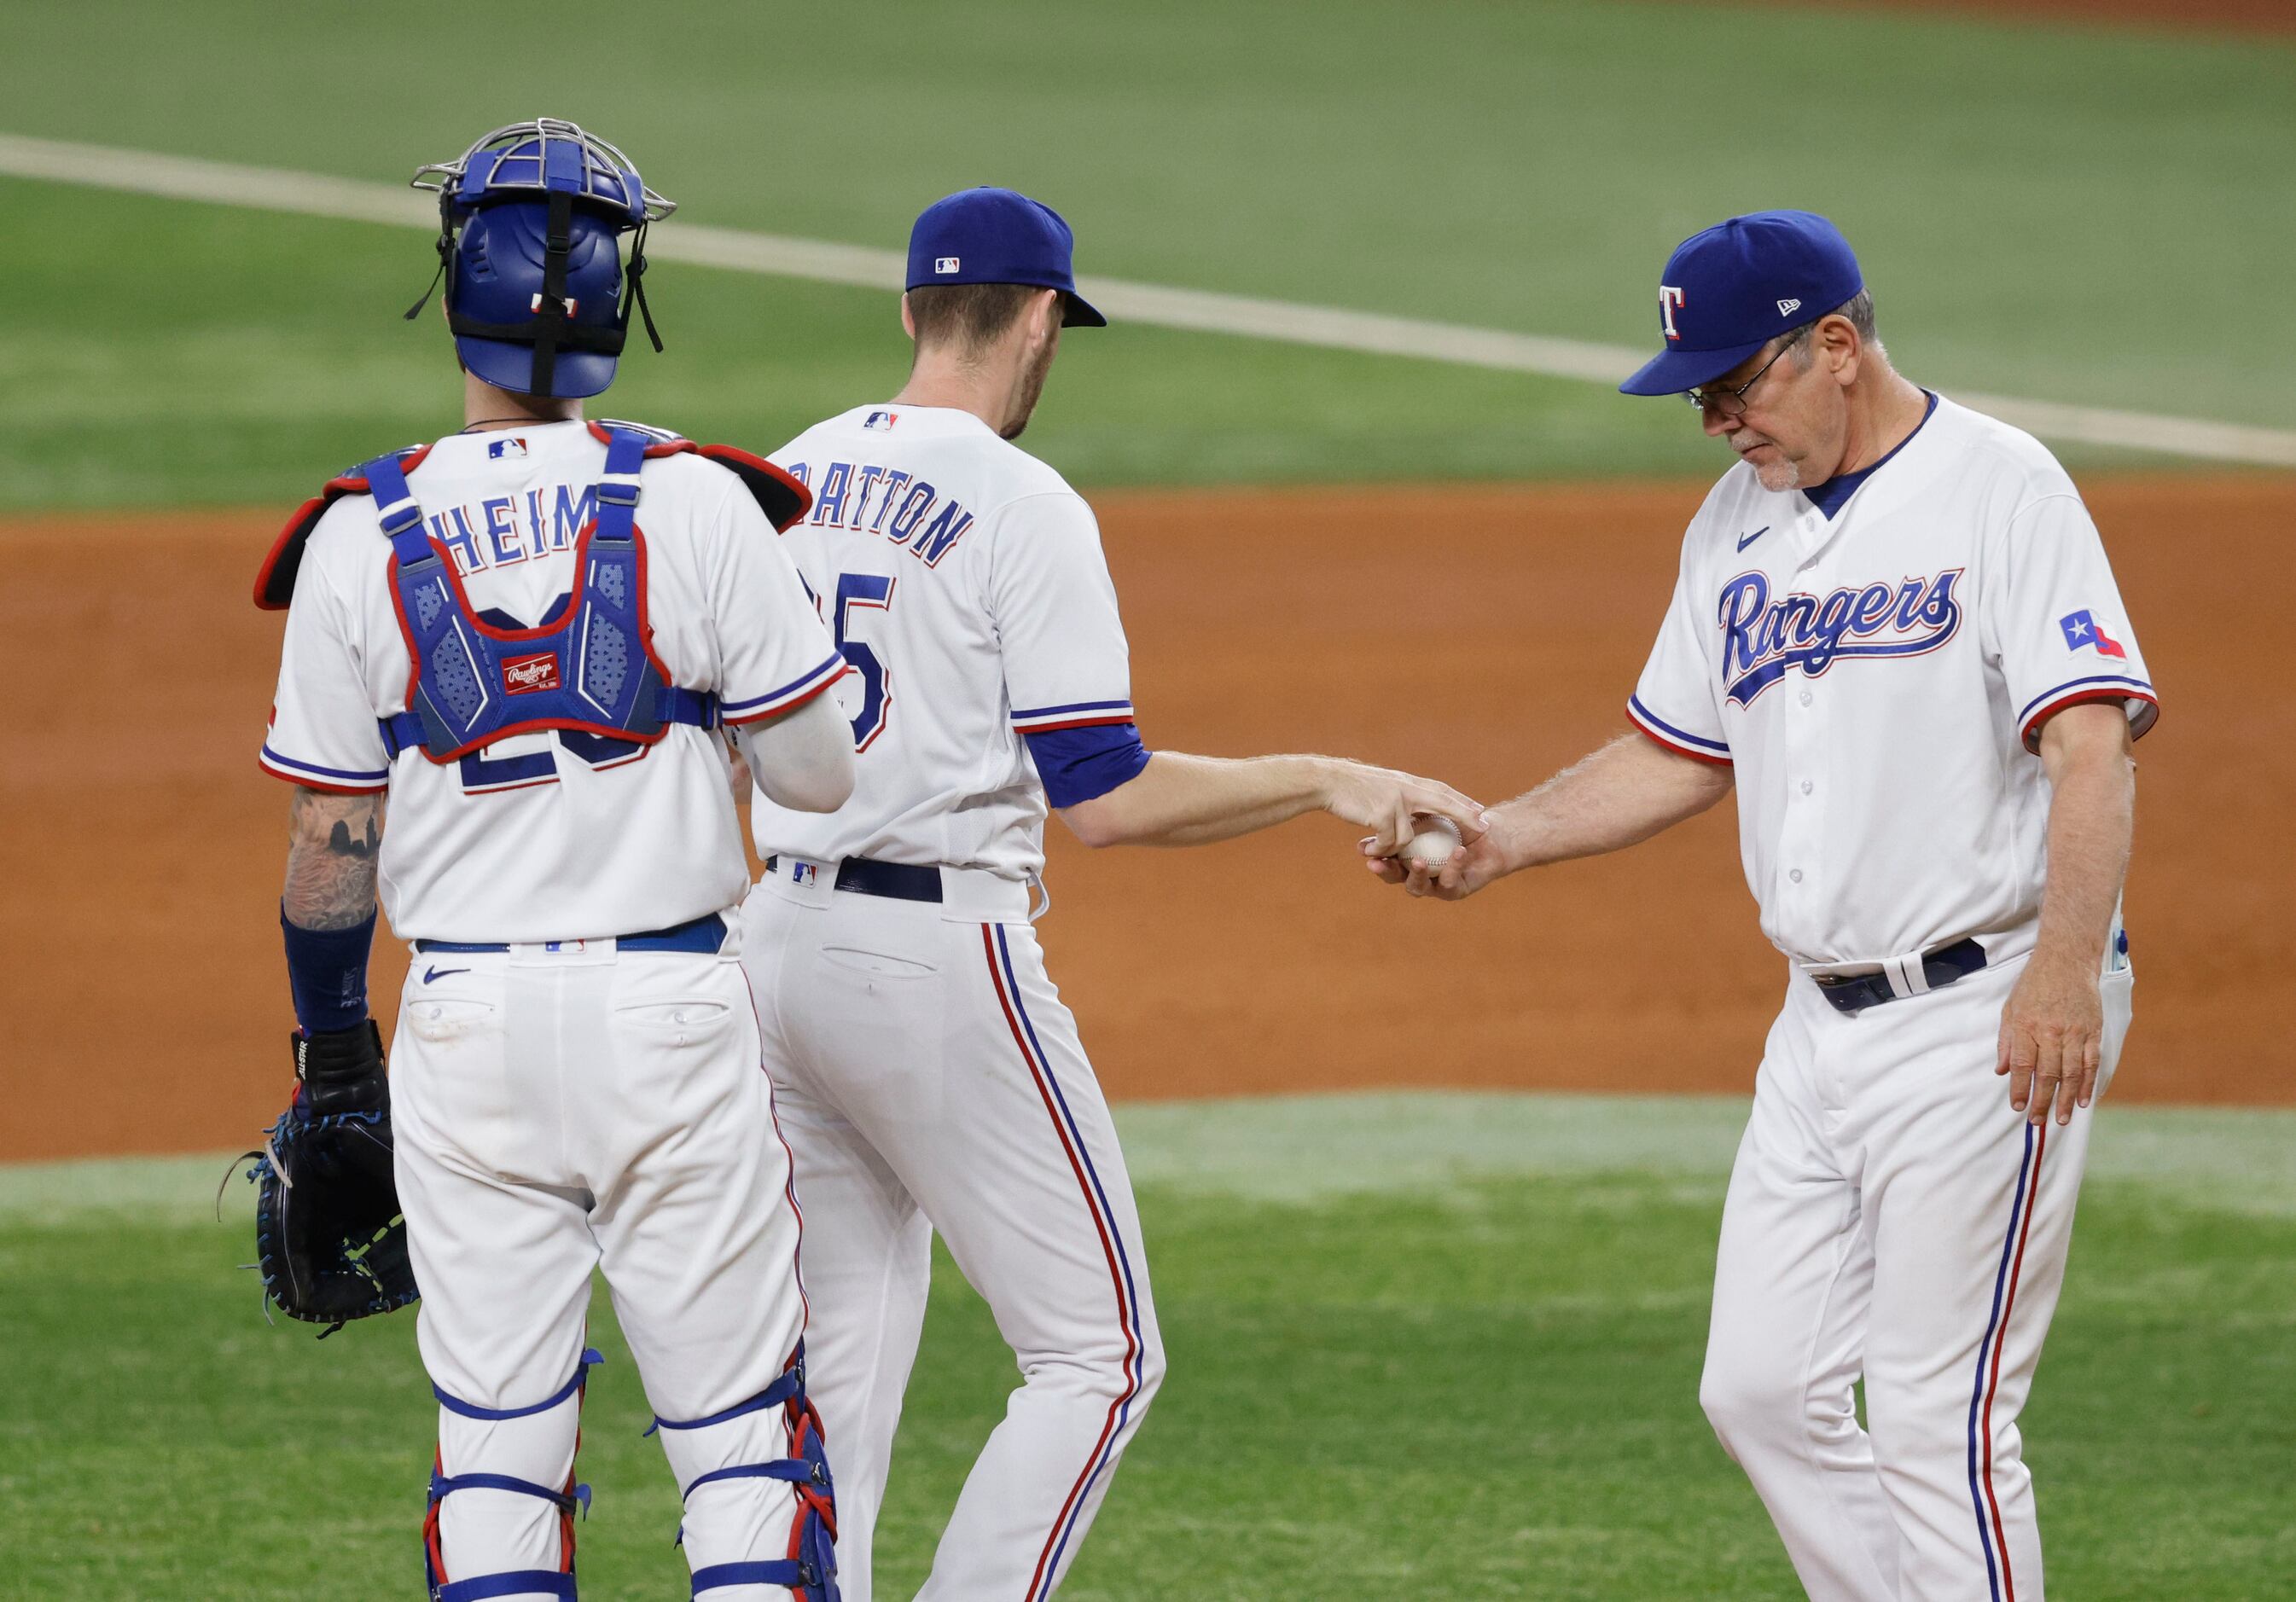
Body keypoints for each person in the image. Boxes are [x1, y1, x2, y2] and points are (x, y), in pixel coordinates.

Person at [1372, 211, 2156, 1600]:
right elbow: (1681, 743)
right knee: (1762, 1389)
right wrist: (1504, 837)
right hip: (1817, 1027)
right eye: (1700, 395)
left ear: (1838, 346)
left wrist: (2063, 974)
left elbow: (2088, 742)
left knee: (1937, 1416)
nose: (1719, 418)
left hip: (1983, 1011)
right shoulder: (1736, 523)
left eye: (1739, 384)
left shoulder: (2000, 489)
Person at [737, 186, 1485, 1601]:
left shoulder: (781, 474)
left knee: (830, 1361)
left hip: (775, 945)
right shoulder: (1025, 502)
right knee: (1100, 1351)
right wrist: (1327, 774)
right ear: (1037, 321)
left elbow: (718, 742)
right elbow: (1105, 793)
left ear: (909, 312)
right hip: (933, 958)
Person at [253, 119, 853, 1601]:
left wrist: (337, 1062)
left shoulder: (356, 534)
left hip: (466, 1035)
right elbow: (818, 777)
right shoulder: (699, 501)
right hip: (672, 1019)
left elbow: (330, 844)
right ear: (618, 302)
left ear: (450, 275)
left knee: (498, 1461)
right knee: (743, 1458)